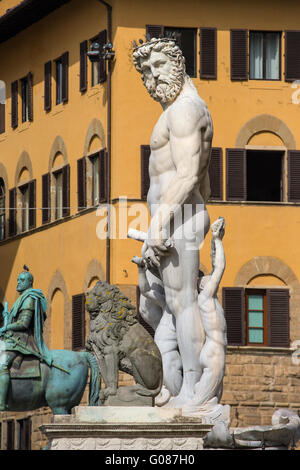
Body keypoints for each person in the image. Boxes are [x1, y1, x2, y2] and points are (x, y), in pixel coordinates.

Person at [133, 36, 213, 406]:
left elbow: (188, 175)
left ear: (178, 63)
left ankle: (197, 393)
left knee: (183, 304)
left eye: (159, 66)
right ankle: (172, 386)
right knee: (164, 307)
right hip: (169, 221)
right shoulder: (173, 112)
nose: (152, 77)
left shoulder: (185, 110)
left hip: (175, 220)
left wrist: (159, 224)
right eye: (146, 71)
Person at [0, 268, 51, 411]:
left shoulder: (29, 298)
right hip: (13, 338)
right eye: (17, 280)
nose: (18, 283)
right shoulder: (21, 298)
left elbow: (23, 324)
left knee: (2, 364)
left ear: (29, 282)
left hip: (22, 340)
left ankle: (2, 402)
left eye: (22, 280)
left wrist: (5, 328)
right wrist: (8, 316)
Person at [192, 217, 227, 407]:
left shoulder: (205, 298)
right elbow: (219, 267)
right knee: (200, 404)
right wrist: (217, 239)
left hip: (212, 349)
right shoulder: (205, 296)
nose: (210, 278)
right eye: (206, 278)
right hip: (214, 351)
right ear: (201, 285)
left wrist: (215, 242)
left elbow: (215, 265)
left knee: (212, 400)